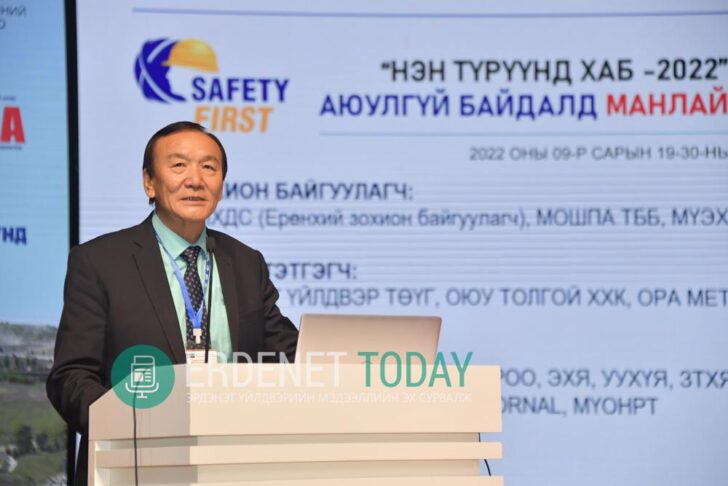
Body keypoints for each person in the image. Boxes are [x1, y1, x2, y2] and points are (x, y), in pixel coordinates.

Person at [46, 121, 298, 485]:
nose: (195, 180)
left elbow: (284, 354)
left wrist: (351, 368)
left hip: (230, 464)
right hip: (133, 466)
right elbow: (70, 376)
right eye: (179, 165)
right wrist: (128, 425)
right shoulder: (100, 261)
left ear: (221, 185)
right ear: (149, 182)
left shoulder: (245, 262)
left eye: (209, 167)